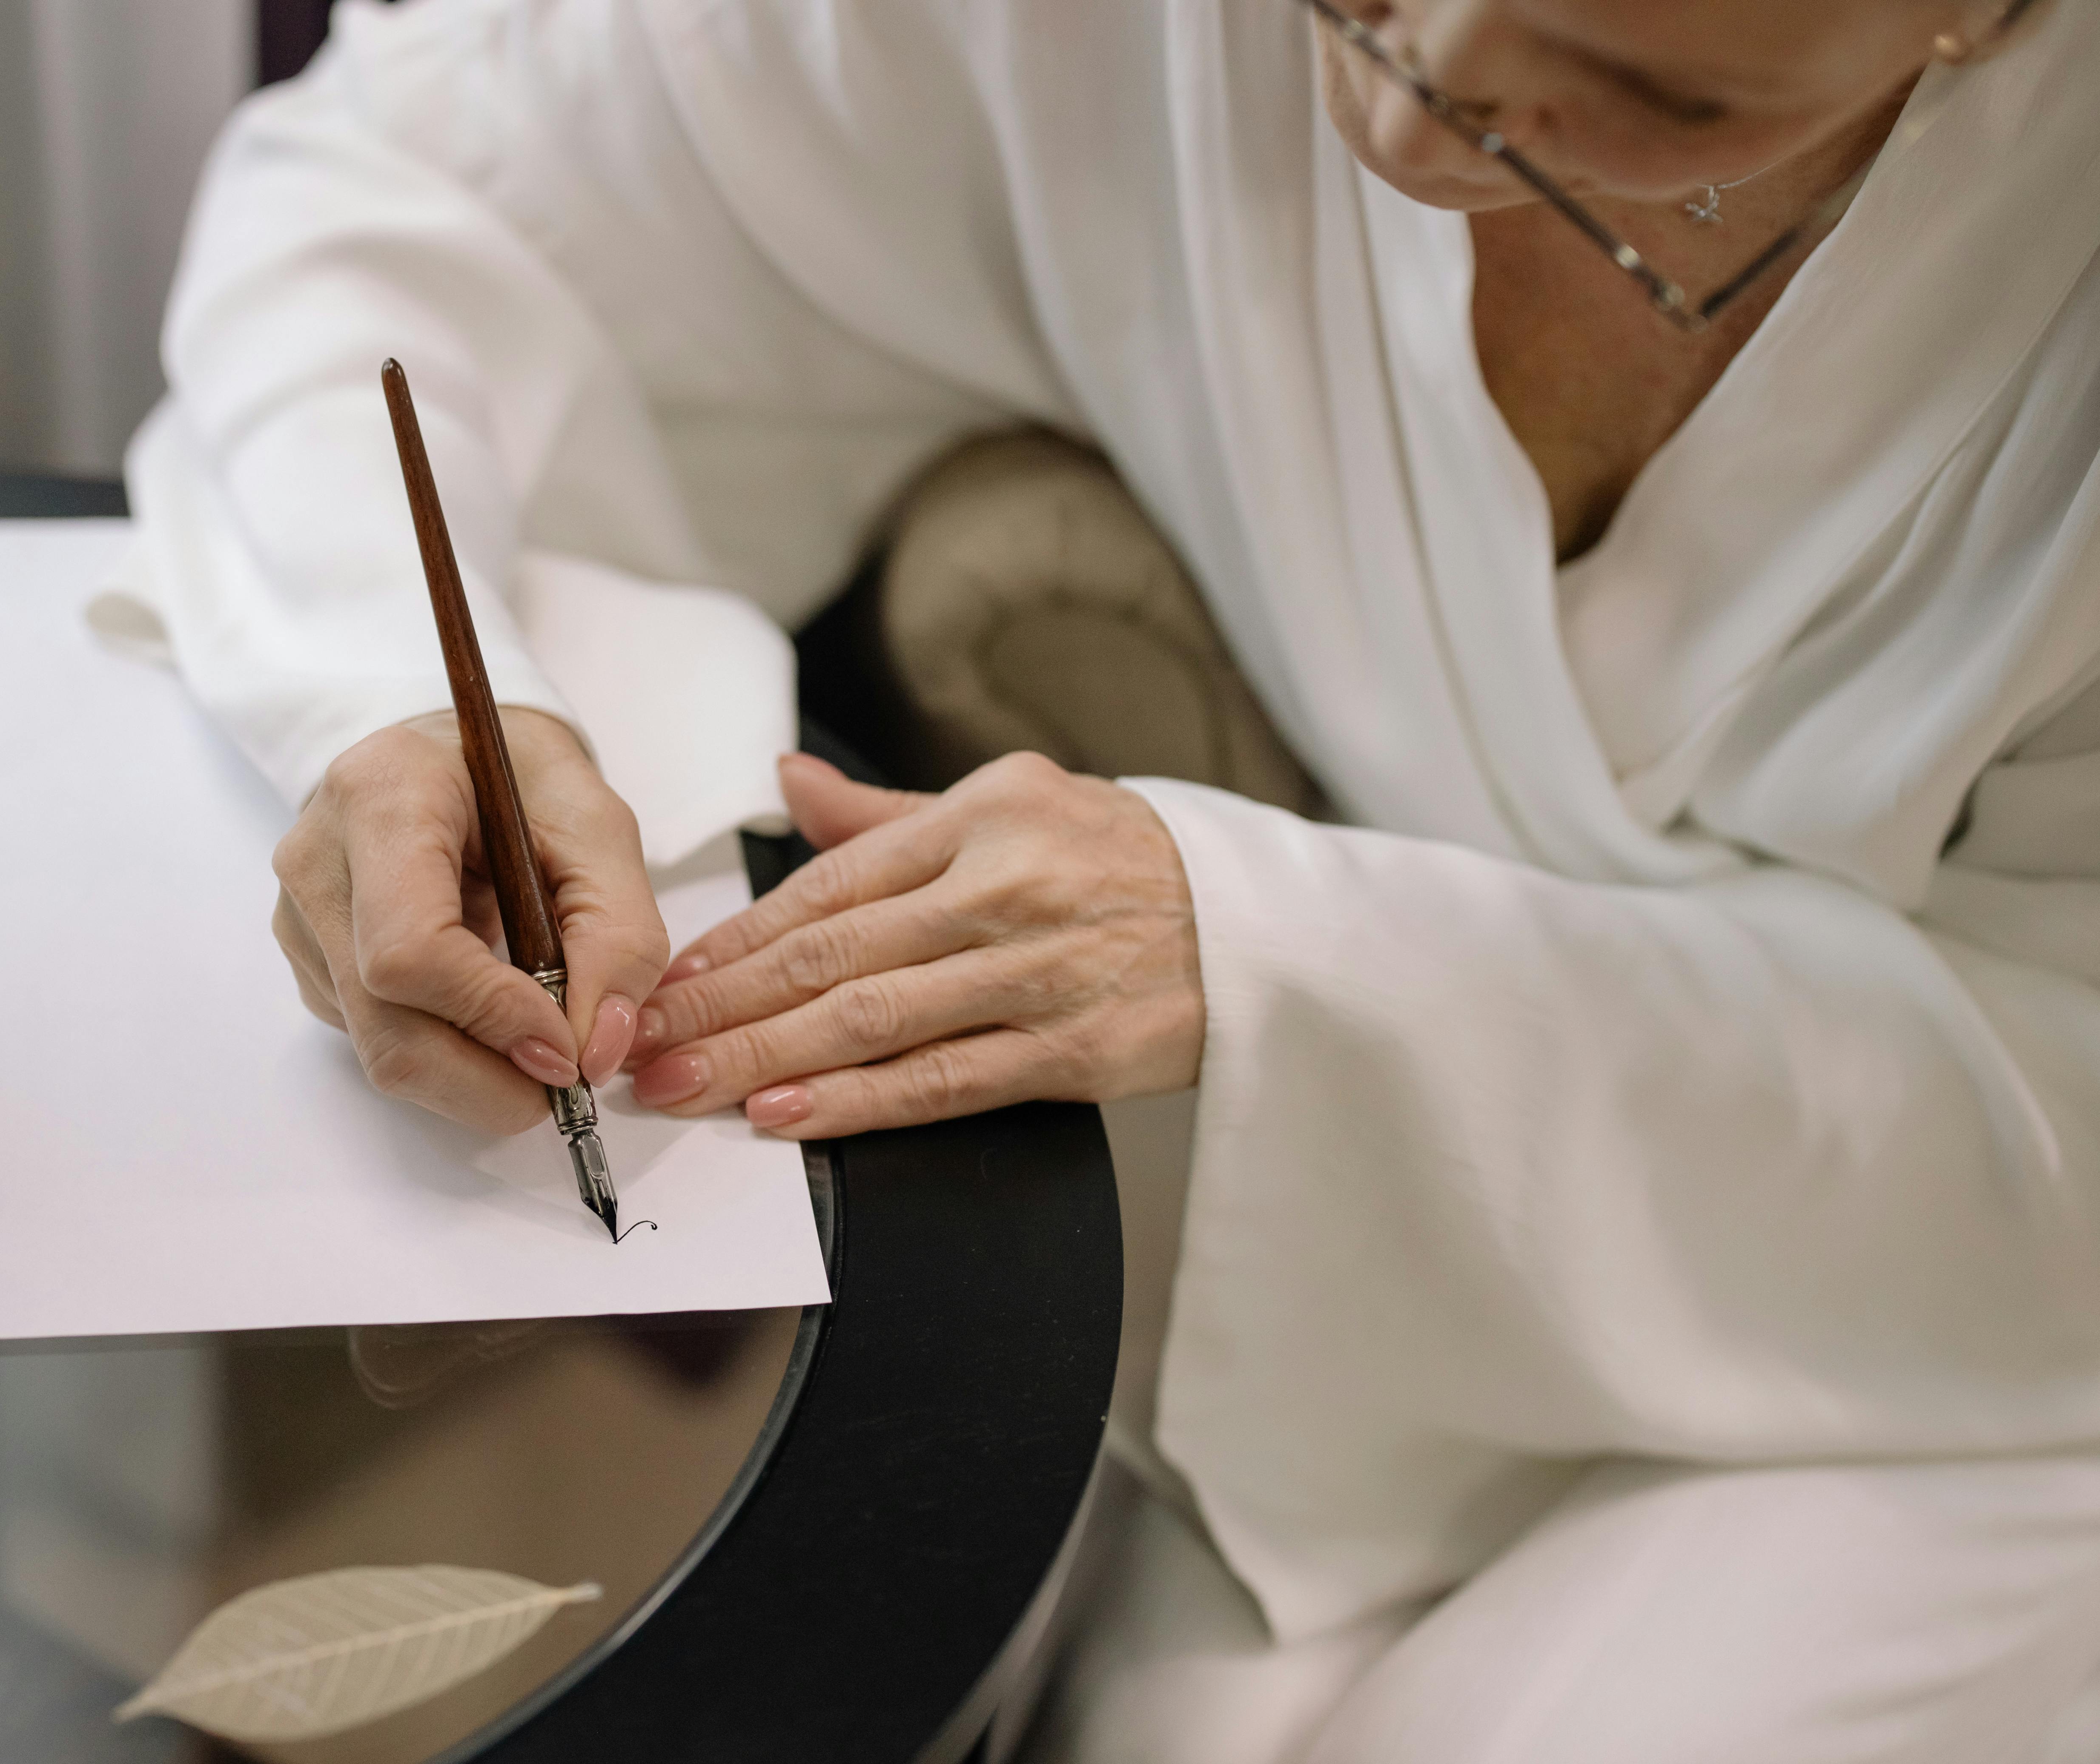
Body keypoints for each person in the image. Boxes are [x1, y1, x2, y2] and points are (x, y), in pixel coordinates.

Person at [115, 0, 2100, 1754]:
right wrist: (389, 695)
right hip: (1305, 1273)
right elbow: (407, 193)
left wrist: (1286, 955)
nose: (1403, 138)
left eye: (1650, 93)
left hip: (1984, 1378)